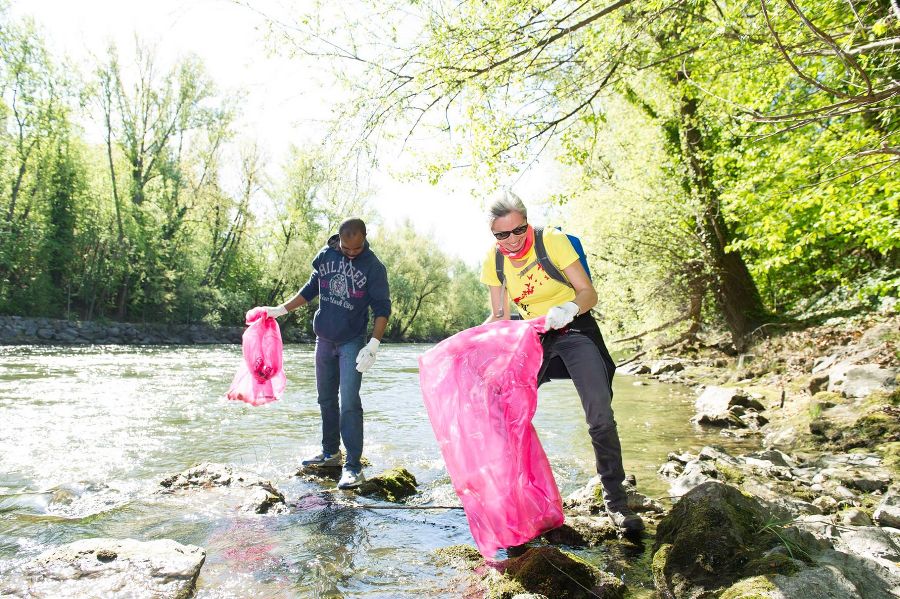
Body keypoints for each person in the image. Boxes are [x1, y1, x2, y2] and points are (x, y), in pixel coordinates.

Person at [480, 191, 644, 533]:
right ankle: (513, 497)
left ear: (527, 222)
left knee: (599, 415)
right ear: (492, 233)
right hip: (533, 339)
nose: (511, 241)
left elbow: (588, 293)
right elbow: (498, 316)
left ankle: (615, 500)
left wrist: (568, 308)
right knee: (504, 411)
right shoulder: (493, 261)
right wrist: (463, 344)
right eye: (501, 235)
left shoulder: (551, 241)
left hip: (574, 329)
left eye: (518, 230)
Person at [258, 217, 390, 489]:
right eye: (346, 248)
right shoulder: (326, 255)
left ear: (364, 239)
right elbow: (310, 289)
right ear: (339, 240)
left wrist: (373, 345)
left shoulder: (374, 267)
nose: (352, 253)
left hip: (352, 341)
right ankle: (330, 453)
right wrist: (280, 310)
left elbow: (382, 309)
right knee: (326, 398)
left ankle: (353, 467)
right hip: (324, 340)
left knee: (350, 402)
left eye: (357, 248)